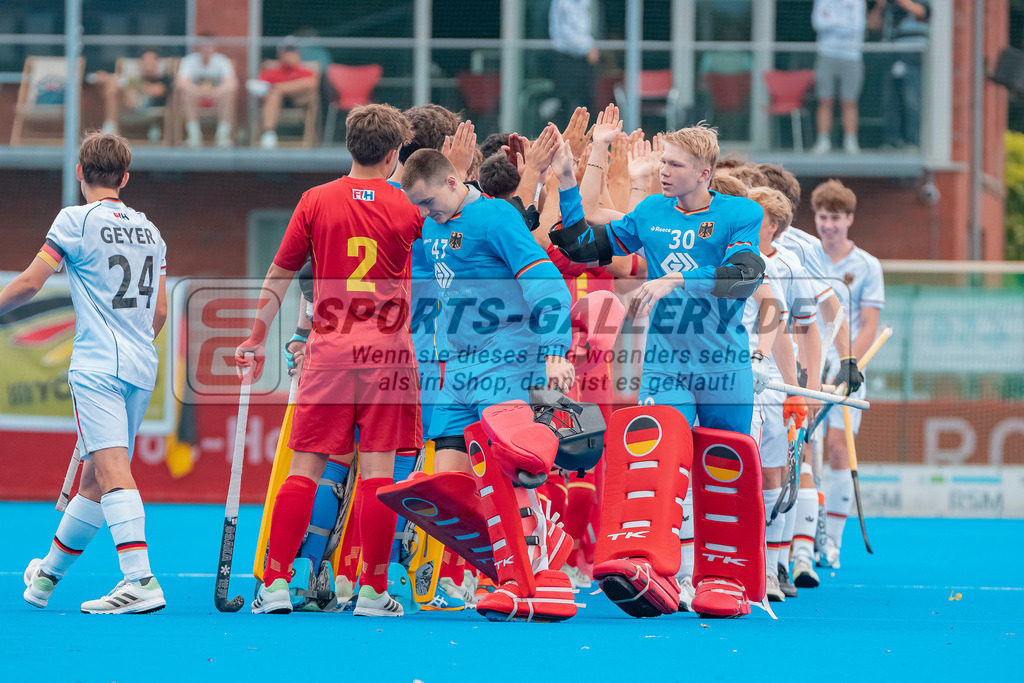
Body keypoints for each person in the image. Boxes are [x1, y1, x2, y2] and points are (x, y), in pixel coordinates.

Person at [551, 124, 772, 617]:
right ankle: (663, 570)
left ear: (704, 173)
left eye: (673, 165)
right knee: (661, 461)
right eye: (664, 163)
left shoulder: (741, 213)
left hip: (722, 362)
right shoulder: (650, 211)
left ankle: (726, 578)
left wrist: (677, 278)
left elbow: (743, 277)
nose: (663, 172)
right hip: (665, 362)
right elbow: (582, 245)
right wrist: (568, 183)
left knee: (724, 465)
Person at [235, 104, 423, 616]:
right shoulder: (407, 208)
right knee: (379, 475)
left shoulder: (315, 200)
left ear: (349, 146)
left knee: (305, 470)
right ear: (393, 154)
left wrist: (255, 338)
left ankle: (274, 584)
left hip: (329, 353)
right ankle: (372, 591)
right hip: (387, 356)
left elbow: (278, 276)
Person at [1, 132, 168, 614]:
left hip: (97, 365)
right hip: (141, 363)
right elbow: (158, 314)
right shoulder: (151, 231)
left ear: (80, 174)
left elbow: (33, 281)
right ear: (126, 178)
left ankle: (140, 580)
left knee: (113, 472)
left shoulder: (76, 219)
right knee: (95, 479)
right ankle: (45, 578)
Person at [401, 148, 575, 475]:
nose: (424, 212)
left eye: (427, 202)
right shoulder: (431, 227)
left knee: (517, 477)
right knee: (449, 490)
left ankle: (532, 525)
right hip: (457, 371)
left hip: (506, 362)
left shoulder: (496, 216)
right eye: (418, 205)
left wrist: (555, 352)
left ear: (452, 182)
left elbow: (545, 283)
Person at [811, 179, 884, 569]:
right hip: (808, 366)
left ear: (849, 220)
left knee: (839, 451)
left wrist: (850, 361)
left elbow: (869, 323)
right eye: (823, 217)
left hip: (847, 370)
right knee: (808, 451)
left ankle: (832, 542)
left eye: (836, 218)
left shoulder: (867, 265)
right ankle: (807, 531)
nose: (829, 226)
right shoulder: (807, 254)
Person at [868, 0, 930, 149]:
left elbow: (923, 12)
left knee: (912, 101)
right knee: (890, 102)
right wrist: (879, 6)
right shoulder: (889, 6)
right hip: (892, 57)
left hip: (914, 57)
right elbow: (873, 25)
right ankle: (891, 141)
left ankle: (913, 141)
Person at [811, 0, 867, 154]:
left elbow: (857, 26)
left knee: (849, 101)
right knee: (824, 100)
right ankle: (823, 141)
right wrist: (843, 23)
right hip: (826, 54)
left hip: (852, 56)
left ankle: (850, 141)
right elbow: (818, 23)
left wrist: (832, 23)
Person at [247, 37, 318, 149]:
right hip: (274, 104)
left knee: (280, 90)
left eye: (293, 50)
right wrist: (274, 90)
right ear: (279, 53)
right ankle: (268, 134)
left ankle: (278, 90)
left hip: (298, 102)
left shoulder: (304, 70)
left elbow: (311, 83)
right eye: (287, 50)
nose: (290, 54)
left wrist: (279, 87)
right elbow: (260, 89)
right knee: (274, 95)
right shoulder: (270, 71)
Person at [90, 50, 172, 140]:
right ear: (141, 64)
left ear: (157, 63)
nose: (149, 66)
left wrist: (132, 86)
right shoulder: (136, 78)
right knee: (112, 90)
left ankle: (109, 79)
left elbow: (157, 90)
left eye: (151, 62)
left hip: (147, 108)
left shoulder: (164, 78)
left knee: (118, 86)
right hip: (128, 107)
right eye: (146, 63)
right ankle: (110, 127)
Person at [176, 35, 238, 148]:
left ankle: (223, 135)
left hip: (216, 98)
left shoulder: (222, 61)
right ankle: (193, 134)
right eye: (204, 46)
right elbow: (181, 83)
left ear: (214, 47)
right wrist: (199, 91)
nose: (206, 49)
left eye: (209, 46)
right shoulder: (189, 60)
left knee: (228, 95)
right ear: (199, 47)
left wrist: (216, 92)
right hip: (196, 98)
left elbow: (232, 84)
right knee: (186, 95)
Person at [546, 0, 599, 123]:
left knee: (585, 103)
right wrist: (588, 47)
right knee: (566, 104)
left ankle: (583, 139)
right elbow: (566, 32)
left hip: (582, 59)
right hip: (566, 58)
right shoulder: (563, 3)